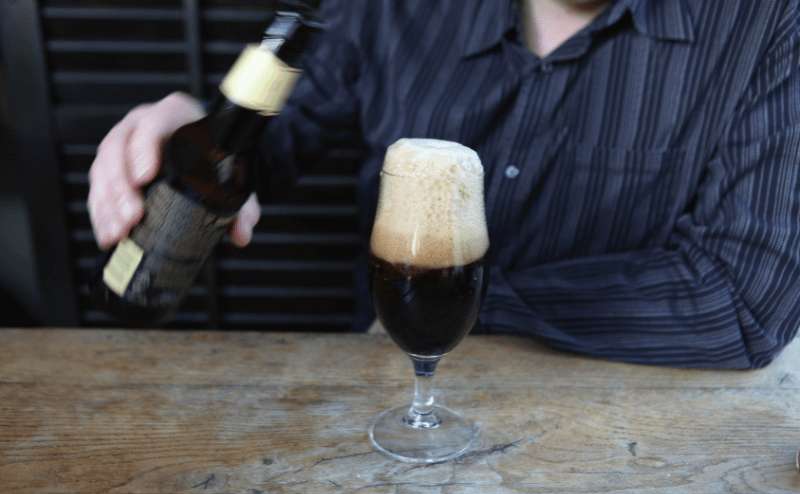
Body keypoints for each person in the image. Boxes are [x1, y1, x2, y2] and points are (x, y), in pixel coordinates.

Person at [87, 0, 800, 369]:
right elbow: (261, 151)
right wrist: (191, 128)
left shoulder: (770, 24)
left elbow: (748, 299)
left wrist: (459, 302)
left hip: (616, 419)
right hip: (376, 399)